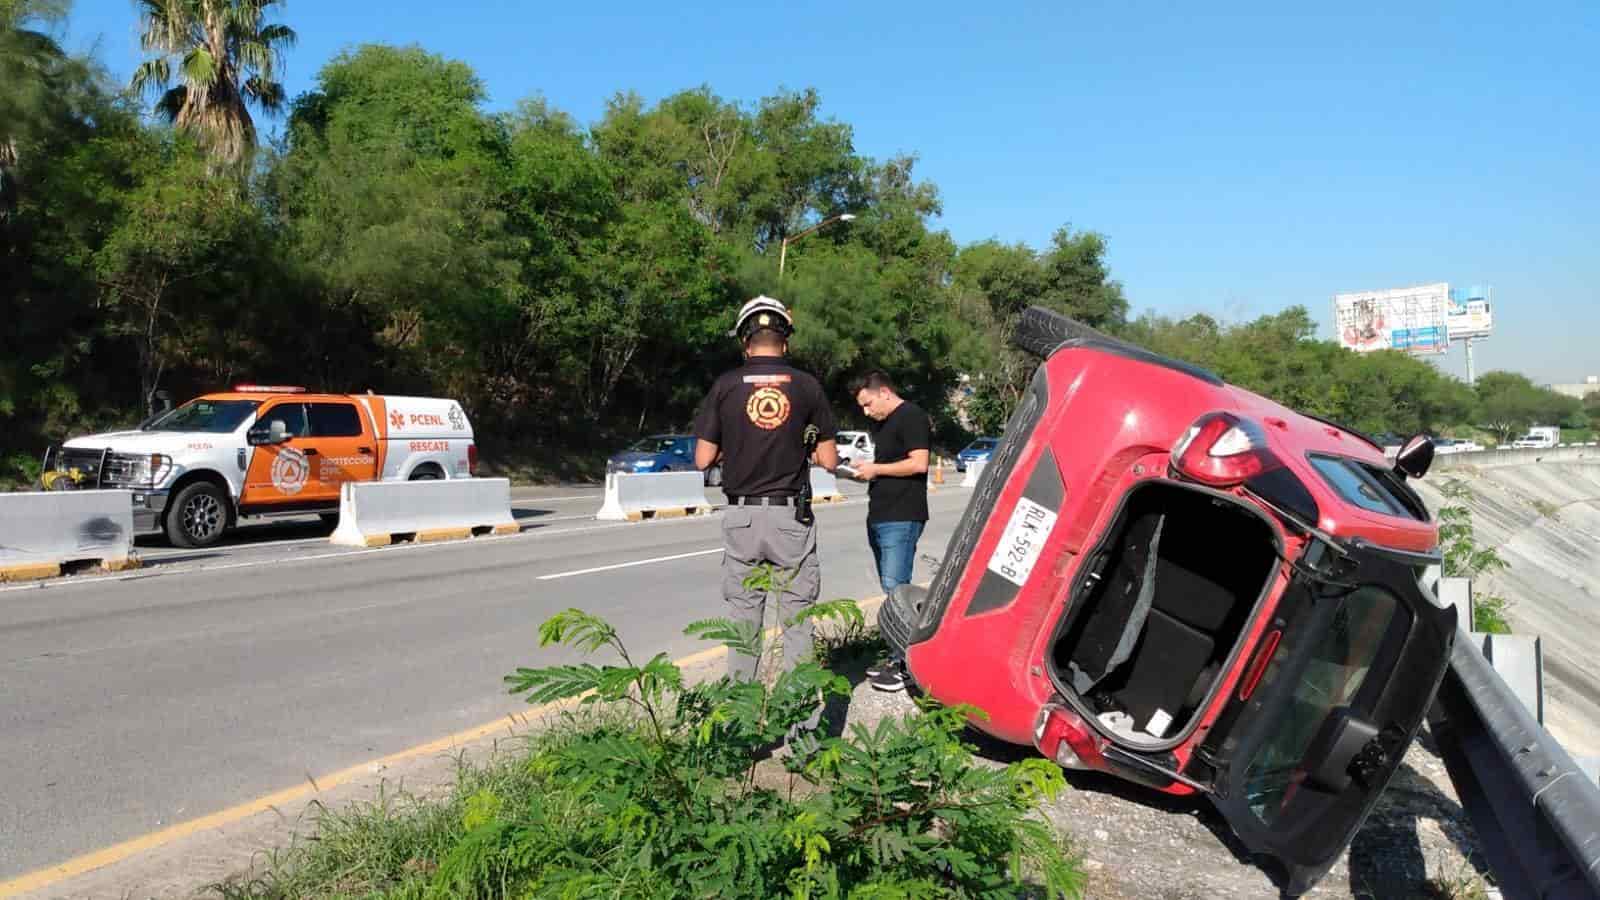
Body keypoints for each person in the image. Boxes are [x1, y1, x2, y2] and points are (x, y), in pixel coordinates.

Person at [693, 295, 839, 683]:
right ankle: (803, 738)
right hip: (790, 518)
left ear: (745, 342)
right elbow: (830, 459)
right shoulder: (807, 387)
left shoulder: (724, 386)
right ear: (786, 341)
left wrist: (736, 444)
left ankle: (740, 733)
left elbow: (702, 459)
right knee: (798, 625)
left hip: (741, 518)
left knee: (743, 626)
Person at [845, 369, 930, 692]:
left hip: (902, 514)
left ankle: (908, 665)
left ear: (884, 391)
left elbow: (919, 463)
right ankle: (899, 655)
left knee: (898, 590)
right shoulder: (883, 425)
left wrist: (876, 469)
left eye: (868, 404)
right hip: (880, 513)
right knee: (890, 587)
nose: (867, 412)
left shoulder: (911, 416)